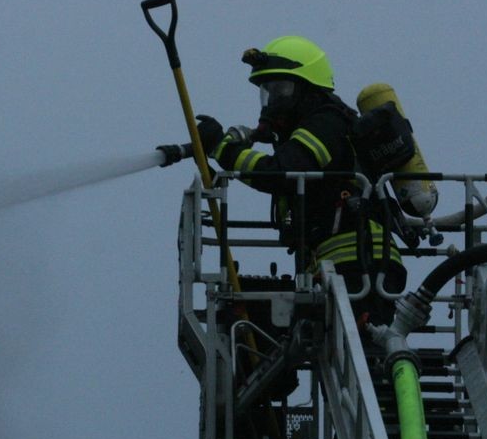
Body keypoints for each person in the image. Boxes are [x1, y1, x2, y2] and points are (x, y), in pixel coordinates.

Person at [161, 36, 406, 327]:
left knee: (364, 344)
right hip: (337, 267)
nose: (272, 100)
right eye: (267, 90)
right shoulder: (314, 128)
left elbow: (280, 173)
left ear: (307, 88)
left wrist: (224, 151)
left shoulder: (327, 122)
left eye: (280, 89)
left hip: (361, 265)